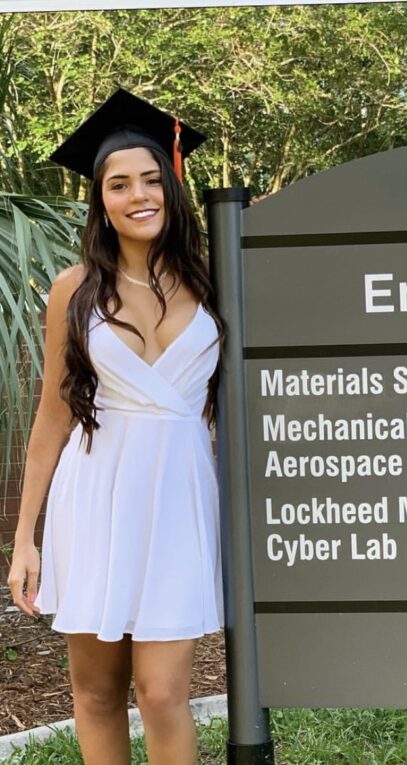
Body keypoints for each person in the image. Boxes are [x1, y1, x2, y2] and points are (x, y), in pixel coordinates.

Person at [6, 87, 225, 765]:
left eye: (152, 180)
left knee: (161, 691)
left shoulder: (215, 282)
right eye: (119, 183)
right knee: (96, 691)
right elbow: (53, 410)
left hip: (179, 496)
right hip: (95, 493)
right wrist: (25, 537)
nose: (139, 195)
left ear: (172, 187)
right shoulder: (76, 288)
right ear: (101, 199)